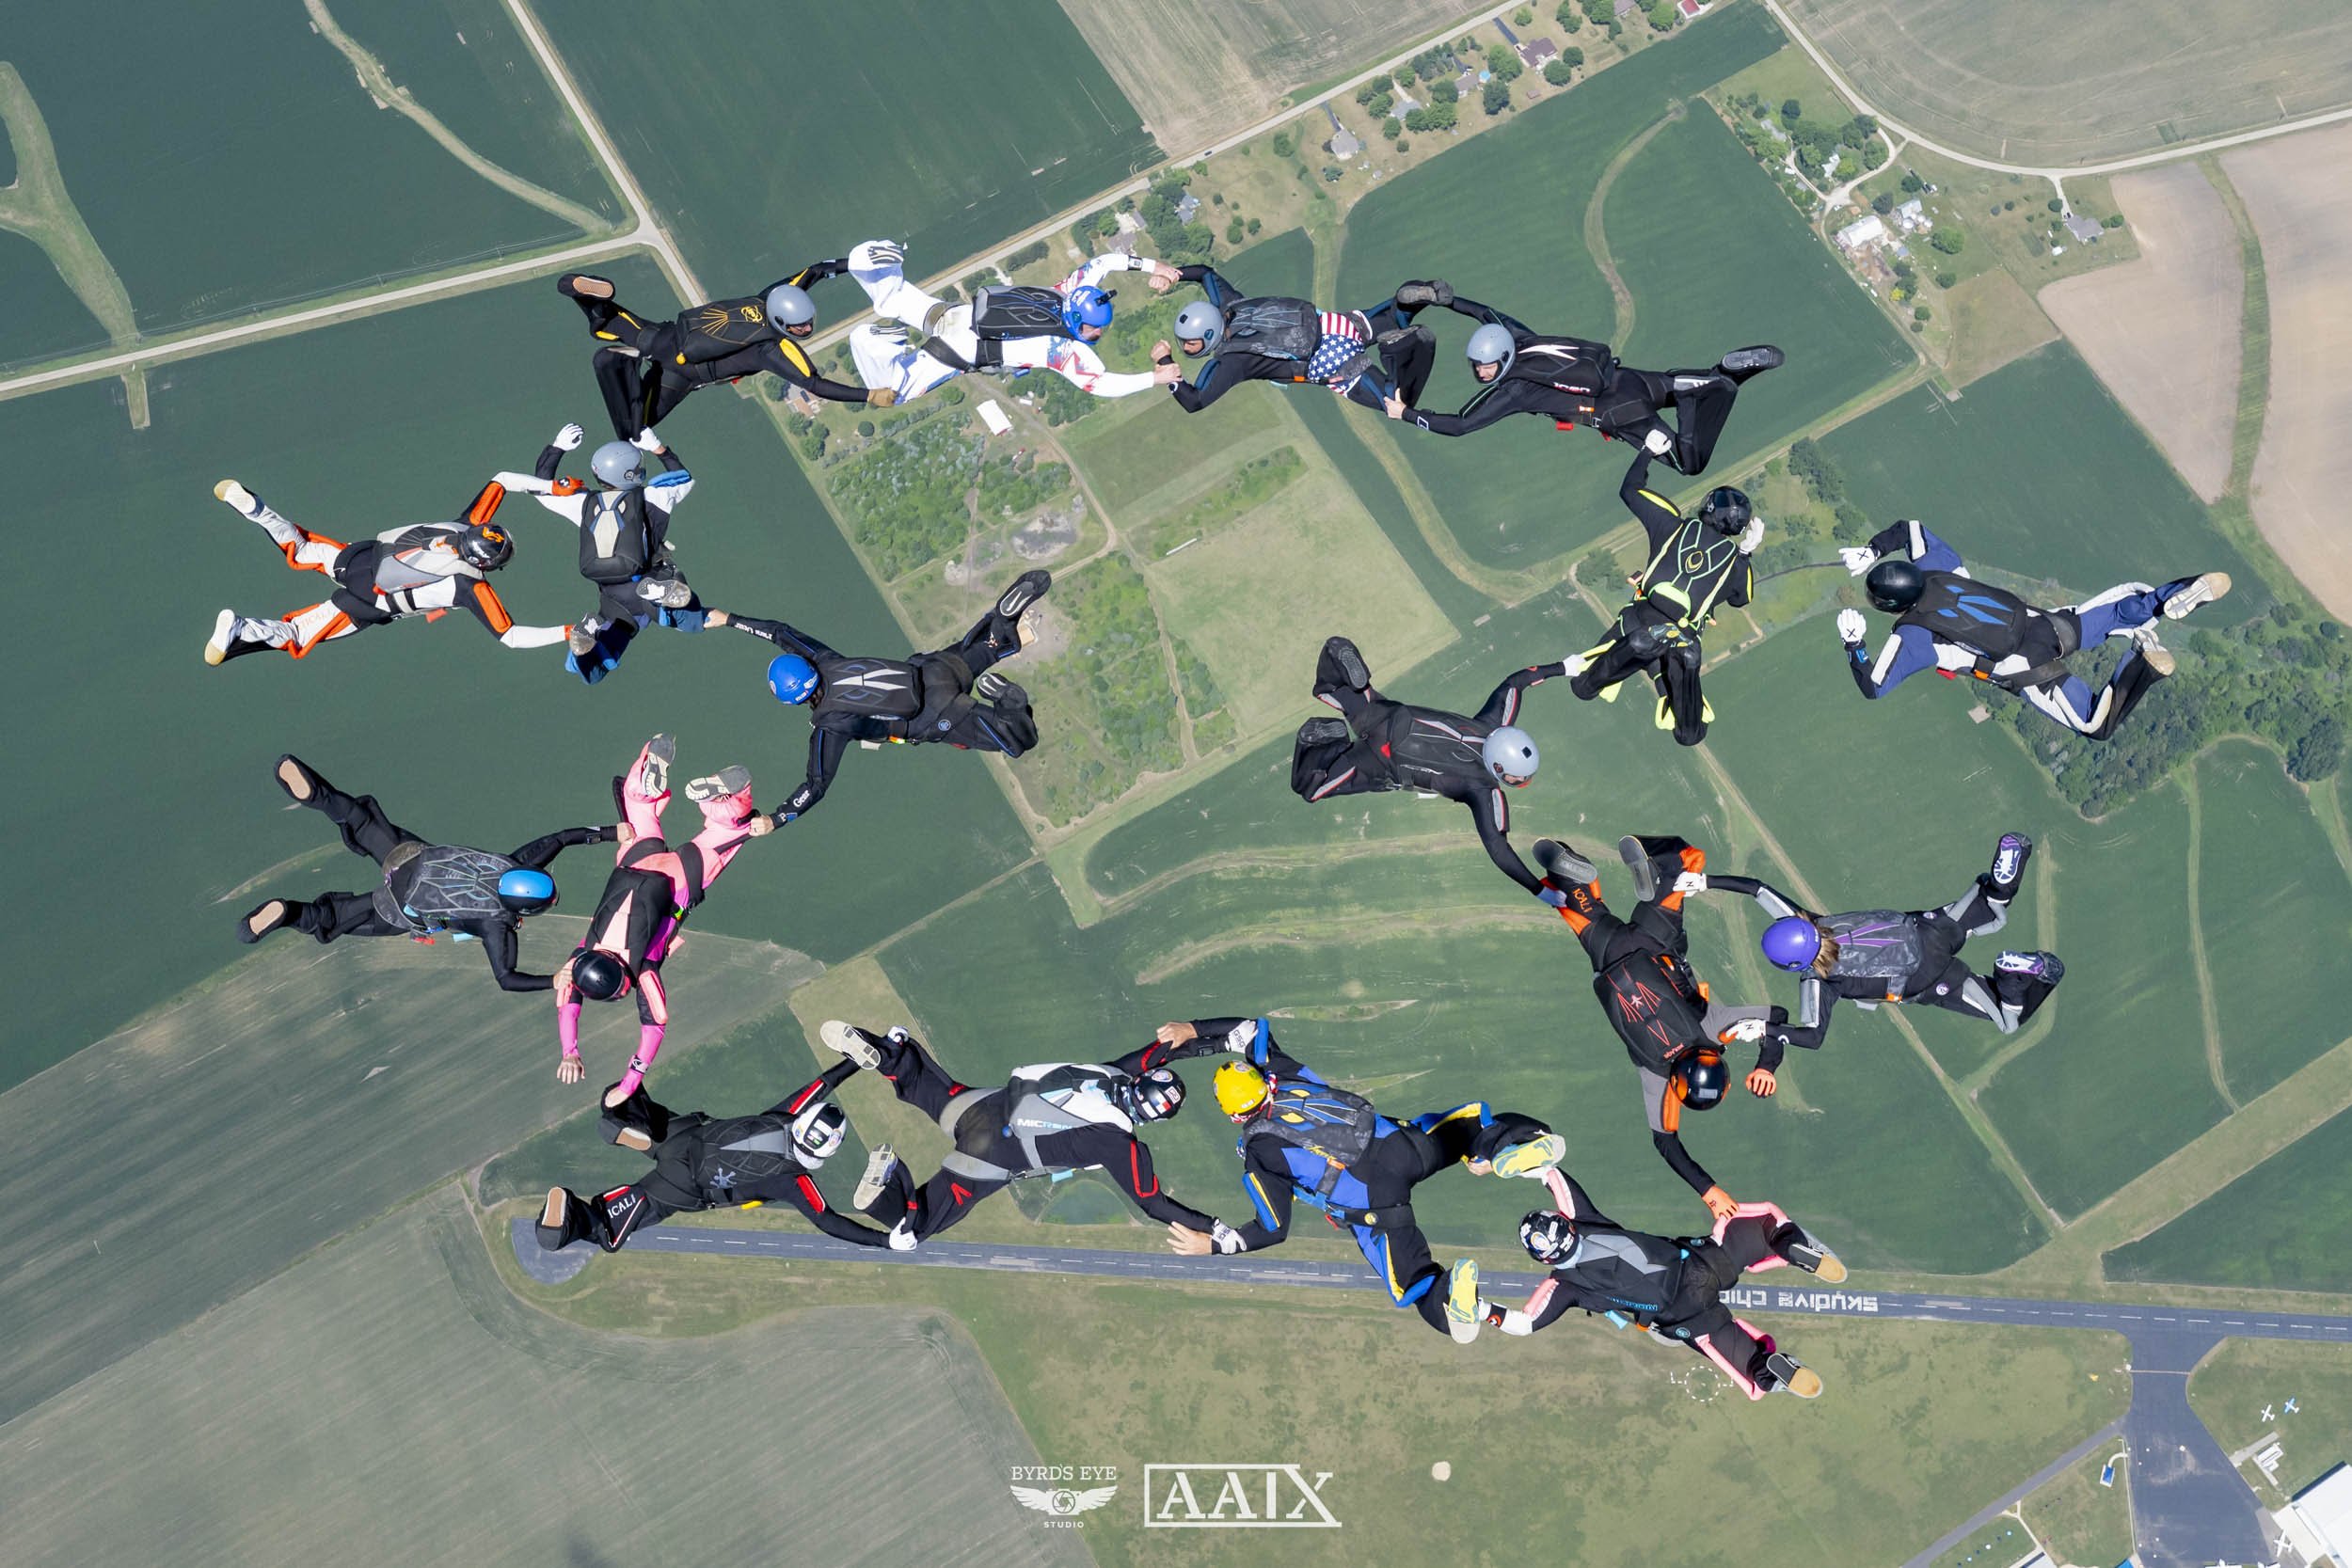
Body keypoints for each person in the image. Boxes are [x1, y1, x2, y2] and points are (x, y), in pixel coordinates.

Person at [1160, 1015, 1568, 1343]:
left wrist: (1214, 1244)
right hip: (1398, 1146)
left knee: (1416, 1279)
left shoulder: (1259, 1153)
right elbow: (1246, 1030)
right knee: (1466, 1131)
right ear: (1261, 1083)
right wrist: (1192, 1031)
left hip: (1373, 1204)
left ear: (1234, 1116)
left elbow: (1272, 1228)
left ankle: (1456, 1308)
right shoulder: (1283, 1076)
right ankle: (1513, 1146)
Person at [1534, 836, 1793, 1218]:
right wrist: (1708, 1192)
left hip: (1655, 941)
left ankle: (1656, 862)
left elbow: (1779, 1017)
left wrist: (1766, 1065)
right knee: (1568, 892)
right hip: (1605, 954)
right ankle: (1568, 875)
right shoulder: (1656, 1075)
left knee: (1690, 858)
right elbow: (1666, 1143)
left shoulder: (1711, 1030)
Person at [813, 1018, 1229, 1247]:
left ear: (1143, 1080)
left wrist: (1215, 1037)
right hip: (991, 1155)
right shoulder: (1119, 1141)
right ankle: (886, 1192)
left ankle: (885, 1053)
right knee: (921, 1222)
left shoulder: (1116, 1073)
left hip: (984, 1106)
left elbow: (1165, 1050)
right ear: (1153, 1118)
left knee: (925, 1083)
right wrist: (1216, 1230)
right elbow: (1153, 1203)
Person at [236, 753, 612, 990]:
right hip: (401, 908)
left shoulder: (513, 862)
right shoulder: (496, 926)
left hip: (413, 858)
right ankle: (288, 913)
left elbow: (561, 838)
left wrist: (613, 833)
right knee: (331, 918)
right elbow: (506, 979)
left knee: (360, 819)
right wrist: (555, 981)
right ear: (525, 908)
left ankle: (316, 795)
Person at [707, 569, 1050, 827]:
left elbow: (816, 784)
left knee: (1017, 741)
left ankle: (1009, 702)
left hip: (938, 715)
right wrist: (730, 620)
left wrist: (777, 818)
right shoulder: (825, 660)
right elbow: (781, 632)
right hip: (931, 670)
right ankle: (1004, 621)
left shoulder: (831, 724)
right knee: (985, 650)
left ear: (794, 701)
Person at [1835, 520, 2232, 740]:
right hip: (2045, 624)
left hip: (2029, 668)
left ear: (1889, 606)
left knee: (2096, 724)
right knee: (2119, 612)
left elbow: (1873, 686)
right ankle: (2170, 597)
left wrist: (1854, 644)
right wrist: (1874, 549)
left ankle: (2142, 662)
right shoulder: (1940, 566)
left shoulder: (1914, 635)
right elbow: (1909, 528)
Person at [1492, 1167, 1842, 1401]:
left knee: (1744, 1362)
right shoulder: (1584, 1220)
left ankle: (1771, 1370)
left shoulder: (1564, 1286)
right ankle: (1786, 1244)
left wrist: (1481, 1310)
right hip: (1698, 1264)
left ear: (1545, 1258)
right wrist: (1508, 1158)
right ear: (1563, 1223)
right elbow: (1552, 1173)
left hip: (1685, 1316)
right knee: (1756, 1230)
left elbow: (1525, 1323)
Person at [1377, 278, 1782, 477]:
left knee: (1689, 461)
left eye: (1484, 366)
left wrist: (1406, 413)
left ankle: (1696, 398)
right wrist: (1444, 300)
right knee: (1697, 386)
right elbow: (1485, 312)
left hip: (1618, 412)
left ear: (1500, 358)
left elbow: (1461, 425)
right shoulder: (1520, 337)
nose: (1481, 372)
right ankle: (1724, 374)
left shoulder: (1514, 390)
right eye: (1476, 365)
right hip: (1628, 378)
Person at [554, 735, 764, 1098]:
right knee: (639, 809)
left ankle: (723, 803)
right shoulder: (582, 952)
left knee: (731, 830)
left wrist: (628, 1084)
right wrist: (568, 1051)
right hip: (635, 862)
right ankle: (643, 780)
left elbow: (656, 1026)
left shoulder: (643, 968)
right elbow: (566, 1000)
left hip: (679, 882)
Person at [1710, 832, 2064, 1045]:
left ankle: (2016, 976)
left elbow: (1812, 1036)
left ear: (1794, 964)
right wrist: (1702, 882)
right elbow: (1758, 889)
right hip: (1927, 931)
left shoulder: (1820, 982)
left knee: (2007, 1020)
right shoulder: (1816, 923)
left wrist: (1762, 1029)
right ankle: (2005, 877)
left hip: (1929, 980)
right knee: (1988, 907)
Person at [1291, 635, 1567, 900]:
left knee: (1332, 688)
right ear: (1498, 766)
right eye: (1516, 777)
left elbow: (1516, 683)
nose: (1518, 781)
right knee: (1310, 789)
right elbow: (1499, 849)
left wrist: (1564, 667)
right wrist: (1538, 890)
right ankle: (1325, 740)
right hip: (1382, 762)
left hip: (1388, 716)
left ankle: (1341, 659)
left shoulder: (1494, 724)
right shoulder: (1483, 790)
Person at [202, 477, 566, 665]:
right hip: (369, 602)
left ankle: (254, 508)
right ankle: (242, 627)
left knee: (298, 545)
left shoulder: (467, 522)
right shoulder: (470, 587)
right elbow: (512, 637)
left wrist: (549, 487)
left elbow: (501, 479)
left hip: (358, 557)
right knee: (297, 635)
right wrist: (568, 631)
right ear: (486, 564)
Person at [538, 1066, 898, 1254]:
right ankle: (560, 1227)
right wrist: (884, 1241)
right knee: (605, 1231)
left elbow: (820, 1085)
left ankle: (625, 1118)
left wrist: (857, 1061)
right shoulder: (795, 1181)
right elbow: (830, 1223)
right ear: (826, 1151)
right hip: (684, 1185)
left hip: (686, 1134)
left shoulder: (785, 1115)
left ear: (804, 1120)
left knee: (637, 1111)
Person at [555, 263, 891, 441]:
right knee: (634, 430)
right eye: (800, 326)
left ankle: (583, 293)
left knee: (605, 325)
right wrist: (870, 395)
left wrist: (853, 264)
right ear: (783, 322)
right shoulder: (771, 348)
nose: (804, 330)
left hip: (667, 335)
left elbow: (813, 271)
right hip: (682, 375)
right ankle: (624, 364)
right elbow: (816, 386)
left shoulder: (769, 296)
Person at [1565, 446, 1764, 745]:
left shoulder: (1672, 524)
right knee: (1689, 734)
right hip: (1680, 638)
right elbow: (1741, 598)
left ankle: (1635, 646)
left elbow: (1630, 489)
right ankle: (1690, 667)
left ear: (1709, 507)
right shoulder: (1735, 564)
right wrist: (1746, 554)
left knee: (1582, 687)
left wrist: (1647, 452)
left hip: (1636, 621)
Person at [841, 239, 1184, 403]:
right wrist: (1153, 378)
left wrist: (1158, 268)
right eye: (1094, 328)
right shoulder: (1063, 350)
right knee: (893, 393)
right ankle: (873, 340)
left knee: (896, 297)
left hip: (958, 315)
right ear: (1078, 322)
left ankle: (866, 261)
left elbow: (1104, 262)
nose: (1098, 333)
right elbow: (1103, 385)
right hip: (960, 349)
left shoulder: (1067, 291)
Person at [494, 422, 702, 684]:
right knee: (692, 617)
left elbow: (541, 488)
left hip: (611, 595)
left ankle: (588, 631)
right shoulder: (654, 497)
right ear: (631, 475)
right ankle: (660, 593)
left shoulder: (583, 503)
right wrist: (655, 446)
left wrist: (557, 448)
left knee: (599, 663)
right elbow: (683, 477)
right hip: (647, 579)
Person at [1152, 265, 1446, 413]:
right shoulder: (1231, 305)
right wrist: (1172, 274)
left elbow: (1194, 401)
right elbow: (1205, 273)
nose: (1187, 348)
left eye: (1191, 343)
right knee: (1393, 317)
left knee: (1398, 404)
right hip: (1333, 324)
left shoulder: (1232, 361)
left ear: (1209, 334)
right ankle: (1419, 294)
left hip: (1331, 363)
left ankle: (1402, 345)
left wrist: (1165, 364)